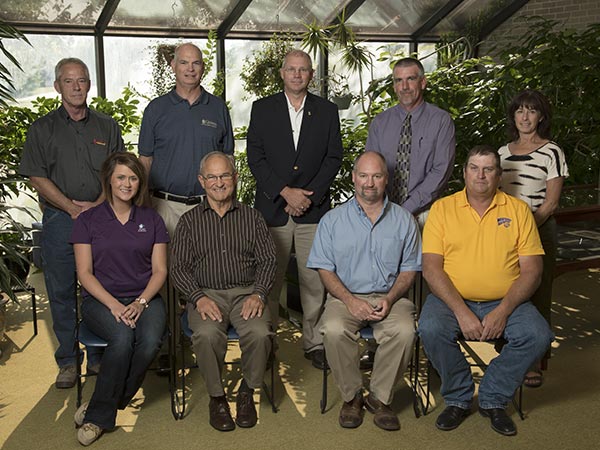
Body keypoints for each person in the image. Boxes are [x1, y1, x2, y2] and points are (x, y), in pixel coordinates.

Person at [418, 145, 554, 436]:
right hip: (451, 300)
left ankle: (493, 396)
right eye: (474, 168)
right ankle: (458, 396)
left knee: (539, 334)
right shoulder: (442, 209)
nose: (481, 175)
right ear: (464, 173)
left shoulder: (518, 211)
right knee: (429, 327)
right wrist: (461, 312)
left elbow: (533, 272)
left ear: (499, 175)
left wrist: (503, 311)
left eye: (488, 169)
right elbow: (431, 269)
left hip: (506, 301)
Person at [19, 57, 125, 389]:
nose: (76, 87)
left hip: (102, 219)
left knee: (99, 288)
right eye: (69, 81)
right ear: (57, 86)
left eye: (82, 80)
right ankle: (67, 360)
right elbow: (36, 175)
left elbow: (119, 171)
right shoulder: (42, 129)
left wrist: (96, 205)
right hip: (59, 221)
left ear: (89, 84)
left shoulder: (107, 127)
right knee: (62, 291)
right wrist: (70, 208)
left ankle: (96, 356)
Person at [307, 152, 421, 431]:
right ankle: (352, 396)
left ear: (386, 179)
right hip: (345, 296)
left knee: (406, 330)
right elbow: (324, 269)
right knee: (333, 329)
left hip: (390, 297)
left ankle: (380, 398)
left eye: (377, 176)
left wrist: (390, 298)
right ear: (354, 178)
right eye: (364, 175)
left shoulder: (405, 220)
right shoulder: (332, 221)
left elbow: (409, 271)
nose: (369, 183)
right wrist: (349, 300)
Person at [247, 49, 343, 370]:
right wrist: (285, 191)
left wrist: (308, 197)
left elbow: (334, 158)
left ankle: (314, 342)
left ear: (311, 75)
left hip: (313, 212)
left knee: (314, 280)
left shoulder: (327, 111)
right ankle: (268, 339)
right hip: (273, 208)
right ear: (282, 72)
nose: (297, 75)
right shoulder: (262, 109)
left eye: (303, 70)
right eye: (292, 69)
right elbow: (255, 157)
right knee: (269, 278)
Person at [170, 152, 276, 432]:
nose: (219, 183)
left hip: (247, 294)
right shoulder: (189, 222)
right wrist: (198, 297)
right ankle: (217, 398)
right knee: (205, 336)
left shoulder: (253, 218)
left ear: (235, 178)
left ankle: (246, 392)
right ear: (202, 181)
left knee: (260, 333)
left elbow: (268, 260)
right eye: (212, 177)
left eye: (225, 175)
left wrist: (259, 293)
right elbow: (178, 268)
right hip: (206, 295)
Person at [70, 152, 168, 446]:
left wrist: (140, 302)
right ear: (109, 181)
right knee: (123, 337)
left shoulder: (152, 219)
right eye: (121, 177)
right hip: (100, 300)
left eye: (134, 178)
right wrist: (114, 305)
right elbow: (84, 274)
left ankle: (102, 403)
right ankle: (100, 417)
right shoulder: (87, 220)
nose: (127, 183)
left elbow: (160, 271)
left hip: (145, 297)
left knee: (150, 341)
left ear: (140, 183)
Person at [498, 89, 568, 388]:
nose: (525, 117)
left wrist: (525, 229)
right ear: (513, 115)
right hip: (504, 233)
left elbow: (551, 202)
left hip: (538, 231)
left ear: (541, 116)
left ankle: (533, 362)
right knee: (506, 289)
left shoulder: (552, 151)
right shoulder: (501, 153)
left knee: (538, 293)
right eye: (520, 110)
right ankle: (507, 350)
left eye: (532, 111)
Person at [138, 42, 234, 235]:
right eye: (184, 62)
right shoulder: (156, 109)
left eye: (196, 63)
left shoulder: (218, 108)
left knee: (210, 264)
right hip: (164, 208)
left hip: (209, 205)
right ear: (173, 66)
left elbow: (229, 159)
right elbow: (145, 160)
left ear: (203, 68)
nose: (190, 69)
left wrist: (229, 203)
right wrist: (145, 205)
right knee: (167, 265)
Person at [365, 57, 455, 226]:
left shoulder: (441, 121)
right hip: (383, 214)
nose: (404, 87)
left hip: (425, 215)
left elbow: (440, 171)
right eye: (399, 81)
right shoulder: (380, 123)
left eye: (411, 79)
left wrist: (406, 209)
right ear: (394, 86)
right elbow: (371, 170)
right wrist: (381, 210)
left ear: (423, 82)